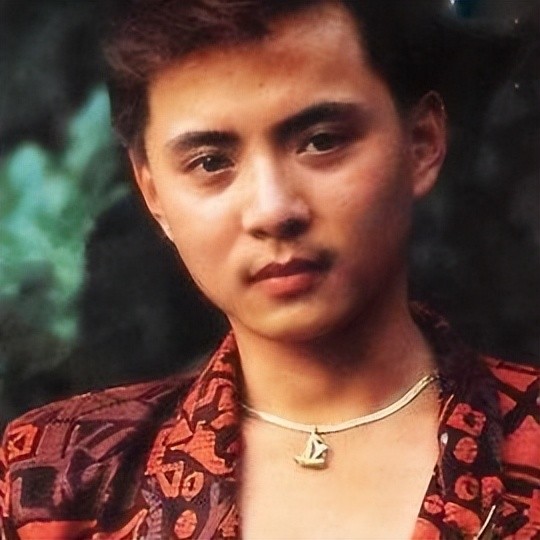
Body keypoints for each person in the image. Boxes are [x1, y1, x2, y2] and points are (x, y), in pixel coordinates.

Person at [1, 1, 538, 538]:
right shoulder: (65, 477)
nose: (273, 210)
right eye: (211, 162)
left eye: (321, 141)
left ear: (421, 143)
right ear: (153, 192)